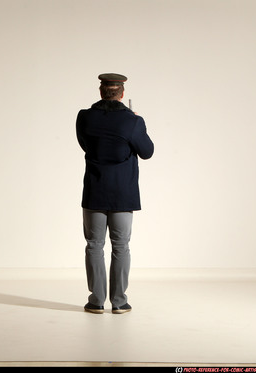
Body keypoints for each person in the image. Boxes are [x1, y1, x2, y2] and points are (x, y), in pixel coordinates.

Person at [76, 73, 154, 314]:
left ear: (101, 92)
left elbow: (85, 144)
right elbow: (147, 151)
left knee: (94, 245)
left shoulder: (84, 117)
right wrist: (138, 123)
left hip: (95, 189)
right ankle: (119, 302)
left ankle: (96, 301)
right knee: (121, 246)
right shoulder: (132, 121)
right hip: (123, 192)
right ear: (122, 94)